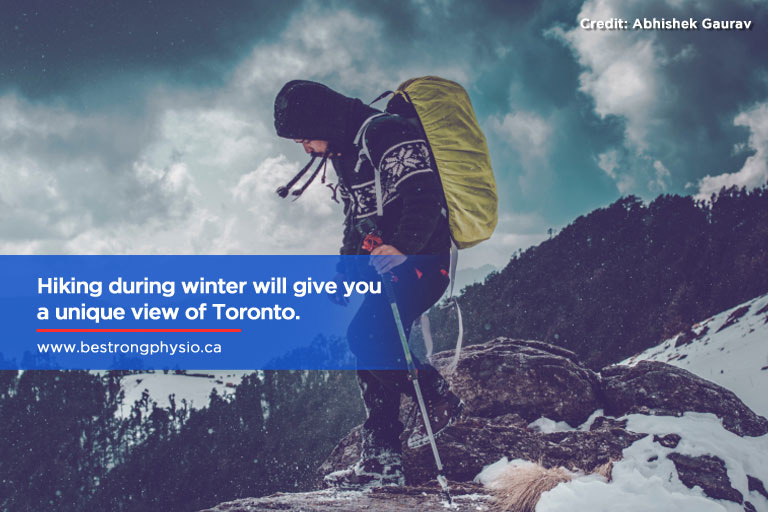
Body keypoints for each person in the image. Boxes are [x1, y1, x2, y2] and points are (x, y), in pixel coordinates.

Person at [273, 80, 463, 489]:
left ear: (321, 119)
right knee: (375, 349)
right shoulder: (346, 150)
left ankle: (438, 396)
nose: (305, 148)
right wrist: (346, 272)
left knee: (367, 338)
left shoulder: (385, 133)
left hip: (422, 263)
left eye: (305, 138)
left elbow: (423, 197)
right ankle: (382, 460)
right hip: (389, 265)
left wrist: (404, 246)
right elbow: (358, 219)